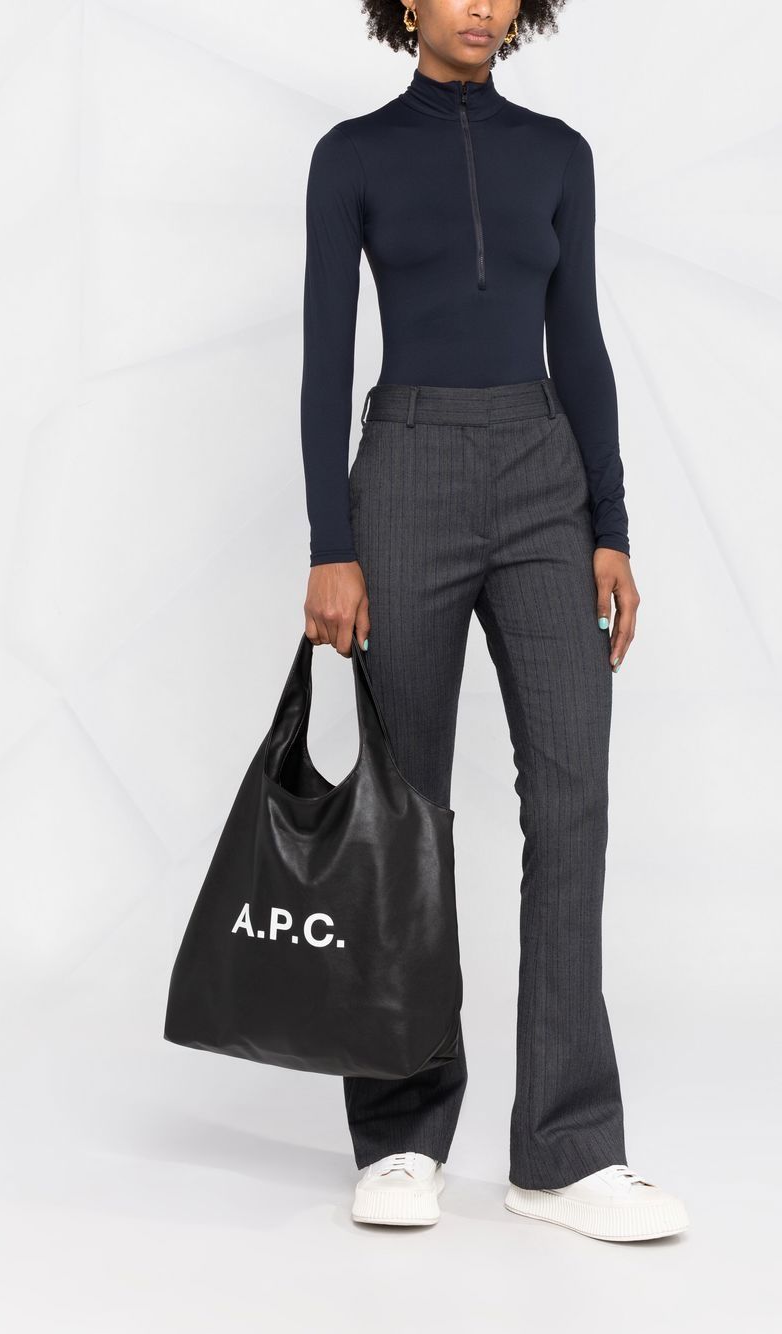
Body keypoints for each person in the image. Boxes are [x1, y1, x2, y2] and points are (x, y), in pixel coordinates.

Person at [298, 0, 689, 1239]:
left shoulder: (557, 154)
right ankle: (400, 1133)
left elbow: (578, 340)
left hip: (540, 469)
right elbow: (323, 358)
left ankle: (564, 1148)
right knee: (405, 809)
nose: (480, 4)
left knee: (572, 796)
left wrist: (609, 521)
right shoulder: (352, 156)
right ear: (403, 4)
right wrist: (329, 544)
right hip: (405, 465)